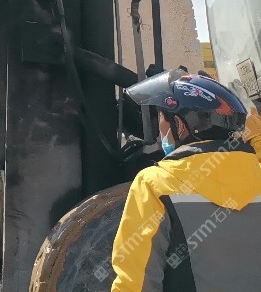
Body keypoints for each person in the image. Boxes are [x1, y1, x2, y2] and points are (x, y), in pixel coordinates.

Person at [110, 69, 261, 290]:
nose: (160, 129)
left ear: (180, 125)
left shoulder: (155, 184)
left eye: (162, 119)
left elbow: (136, 282)